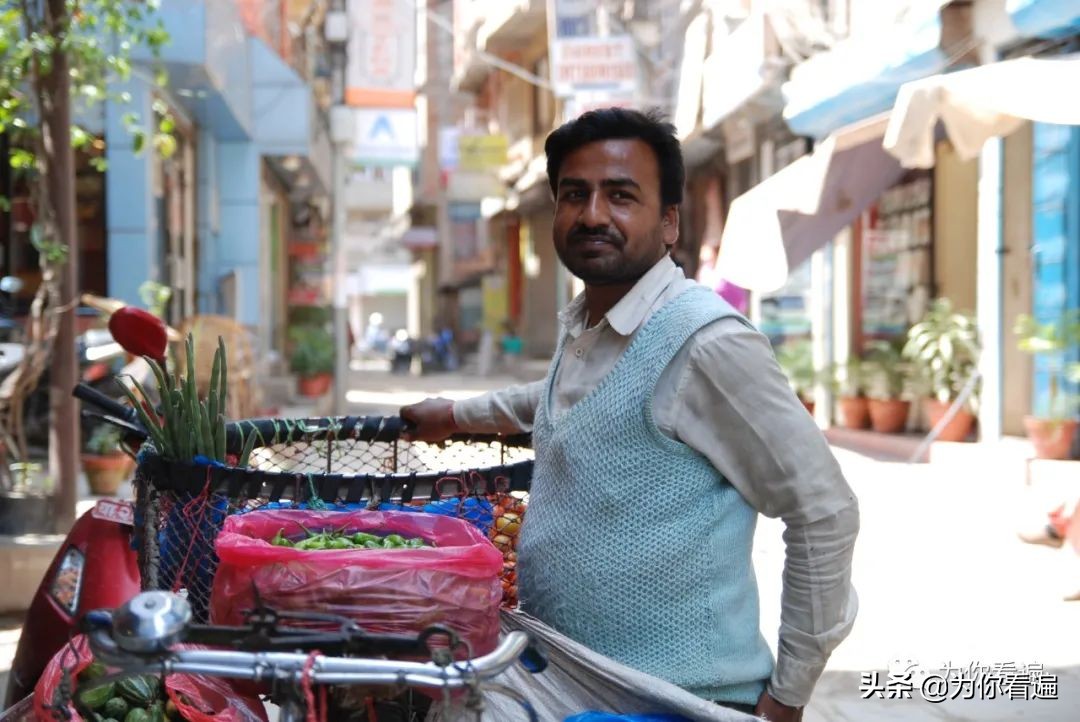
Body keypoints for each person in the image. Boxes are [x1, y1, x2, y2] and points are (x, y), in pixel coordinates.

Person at [401, 108, 859, 721]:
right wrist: (457, 414)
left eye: (621, 196)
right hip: (566, 676)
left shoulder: (706, 342)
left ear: (669, 222)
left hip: (671, 699)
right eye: (574, 195)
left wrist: (789, 696)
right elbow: (569, 397)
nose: (593, 214)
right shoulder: (591, 321)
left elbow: (824, 511)